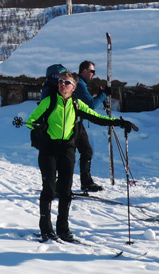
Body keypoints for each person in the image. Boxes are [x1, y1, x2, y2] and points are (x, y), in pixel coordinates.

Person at [27, 71, 137, 242]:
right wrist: (39, 130)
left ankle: (63, 229)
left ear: (74, 87)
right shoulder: (49, 101)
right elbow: (31, 120)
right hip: (49, 149)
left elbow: (97, 117)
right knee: (49, 189)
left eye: (67, 82)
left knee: (65, 191)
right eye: (61, 81)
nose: (63, 85)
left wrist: (119, 122)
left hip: (67, 150)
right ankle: (46, 229)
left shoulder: (76, 104)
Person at [42, 61, 109, 193]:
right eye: (92, 71)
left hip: (76, 122)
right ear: (84, 71)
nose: (94, 74)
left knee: (86, 151)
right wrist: (104, 94)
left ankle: (85, 182)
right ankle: (62, 185)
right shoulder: (78, 84)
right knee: (68, 155)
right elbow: (91, 104)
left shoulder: (79, 84)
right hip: (70, 124)